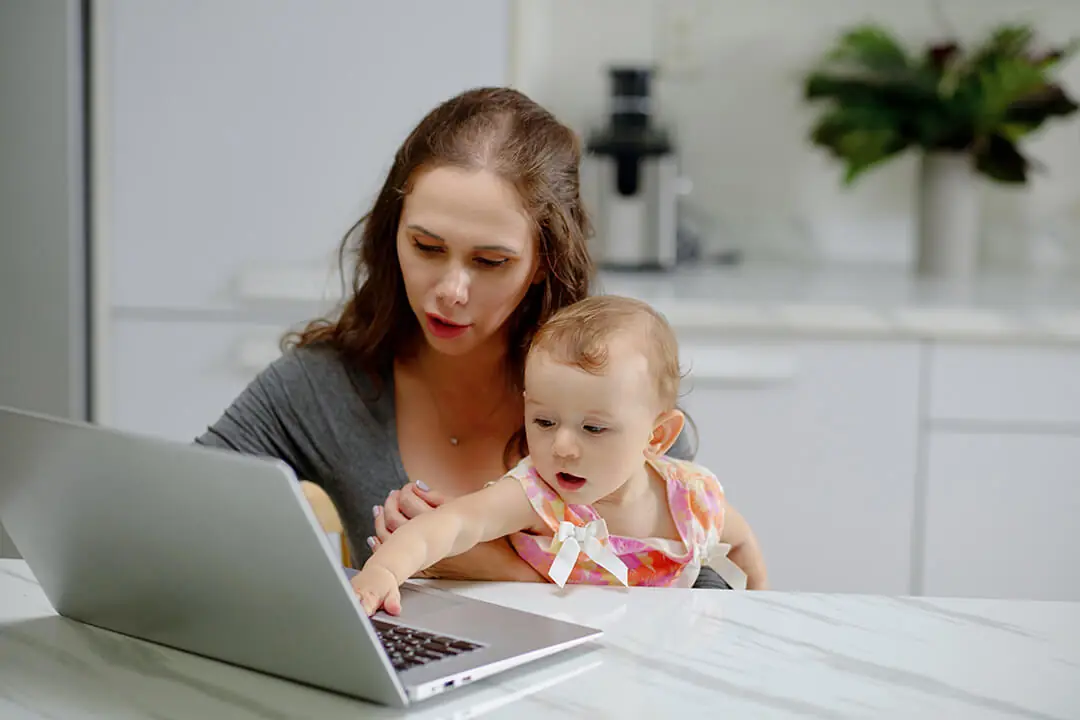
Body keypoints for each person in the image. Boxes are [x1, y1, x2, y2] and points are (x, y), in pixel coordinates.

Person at [195, 86, 732, 589]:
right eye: (426, 247)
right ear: (393, 234)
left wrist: (494, 569)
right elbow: (169, 516)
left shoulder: (611, 388)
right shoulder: (323, 386)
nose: (451, 290)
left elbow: (703, 606)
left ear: (544, 262)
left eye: (490, 261)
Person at [350, 295, 768, 615]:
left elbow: (743, 543)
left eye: (593, 428)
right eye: (545, 423)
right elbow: (452, 523)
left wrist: (761, 608)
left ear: (657, 437)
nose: (562, 448)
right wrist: (384, 572)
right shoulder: (538, 496)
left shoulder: (693, 500)